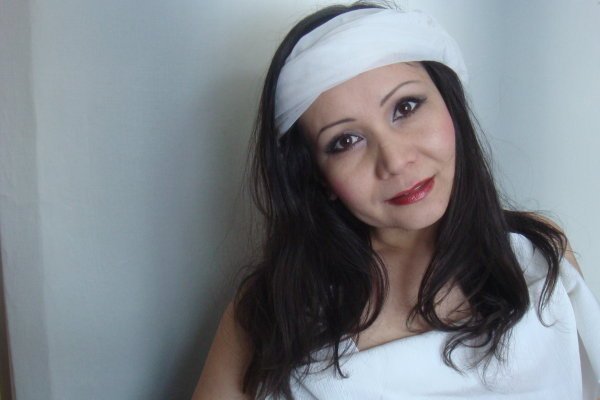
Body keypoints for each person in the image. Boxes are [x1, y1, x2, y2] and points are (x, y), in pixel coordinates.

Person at [193, 2, 600, 399]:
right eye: (346, 141)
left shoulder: (540, 258)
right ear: (317, 175)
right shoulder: (268, 314)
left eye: (406, 107)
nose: (394, 160)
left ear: (451, 106)